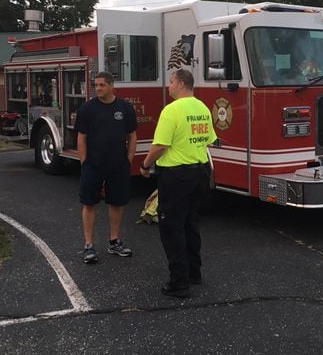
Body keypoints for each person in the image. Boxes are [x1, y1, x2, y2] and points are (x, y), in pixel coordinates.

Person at [140, 69, 217, 298]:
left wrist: (145, 165)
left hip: (176, 176)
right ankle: (194, 272)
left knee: (172, 227)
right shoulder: (202, 107)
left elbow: (160, 145)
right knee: (191, 224)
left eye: (171, 82)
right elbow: (209, 140)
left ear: (181, 83)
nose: (169, 86)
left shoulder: (171, 110)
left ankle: (179, 281)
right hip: (199, 173)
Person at [75, 71, 137, 264]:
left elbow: (132, 135)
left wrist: (129, 159)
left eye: (102, 85)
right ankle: (88, 245)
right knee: (89, 203)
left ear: (112, 86)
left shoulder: (124, 108)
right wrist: (84, 162)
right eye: (96, 85)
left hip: (118, 165)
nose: (98, 88)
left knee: (117, 203)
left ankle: (114, 241)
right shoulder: (87, 109)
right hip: (93, 165)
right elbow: (81, 137)